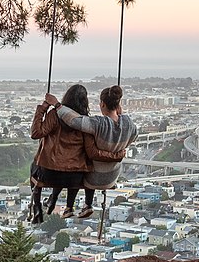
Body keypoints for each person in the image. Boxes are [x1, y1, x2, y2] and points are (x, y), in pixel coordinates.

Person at [50, 85, 138, 219]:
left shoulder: (98, 124)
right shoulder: (129, 124)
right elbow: (133, 137)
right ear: (118, 104)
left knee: (76, 167)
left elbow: (74, 121)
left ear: (102, 104)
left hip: (92, 179)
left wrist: (57, 105)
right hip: (112, 178)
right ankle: (86, 205)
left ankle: (66, 205)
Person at [29, 84, 90, 222]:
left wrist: (42, 109)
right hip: (75, 178)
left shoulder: (55, 115)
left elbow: (36, 133)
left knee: (35, 166)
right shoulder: (85, 120)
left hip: (50, 174)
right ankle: (56, 199)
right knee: (69, 167)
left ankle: (37, 206)